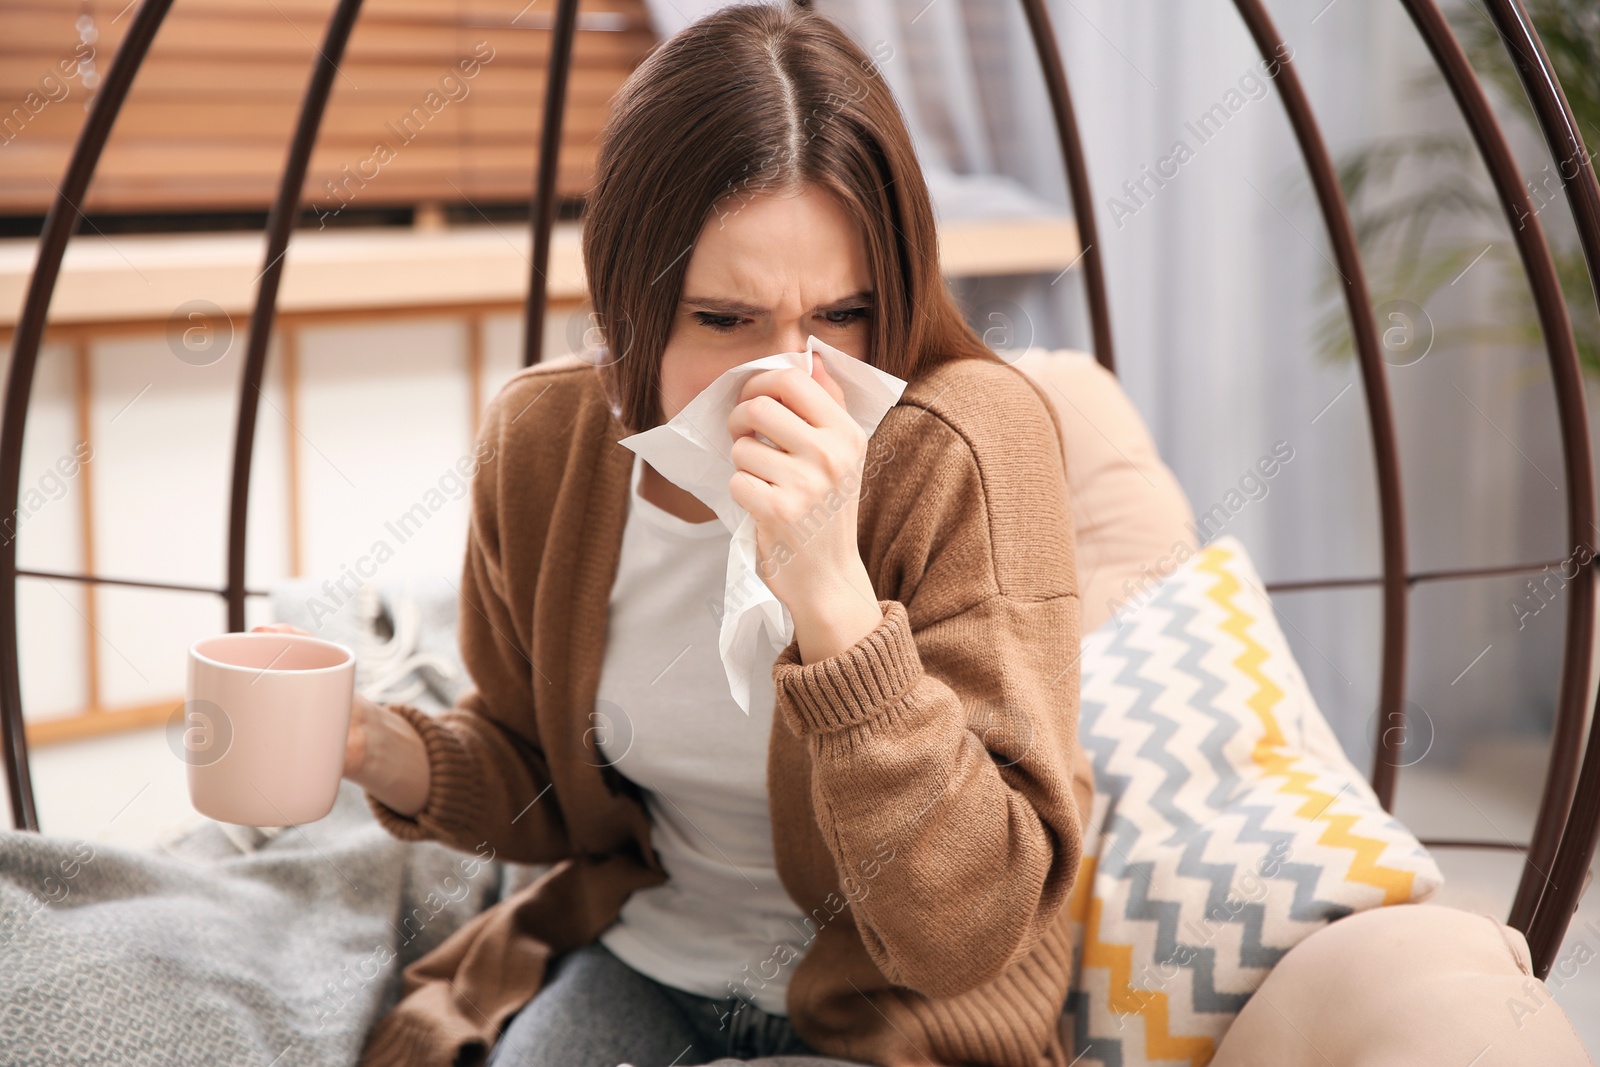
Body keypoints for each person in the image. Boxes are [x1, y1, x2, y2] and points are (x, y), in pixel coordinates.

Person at [258, 5, 1092, 1065]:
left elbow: (967, 927)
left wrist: (831, 595)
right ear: (628, 305)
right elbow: (544, 781)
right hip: (646, 957)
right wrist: (367, 743)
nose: (789, 378)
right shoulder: (545, 442)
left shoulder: (968, 445)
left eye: (842, 314)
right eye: (724, 320)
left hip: (893, 1007)